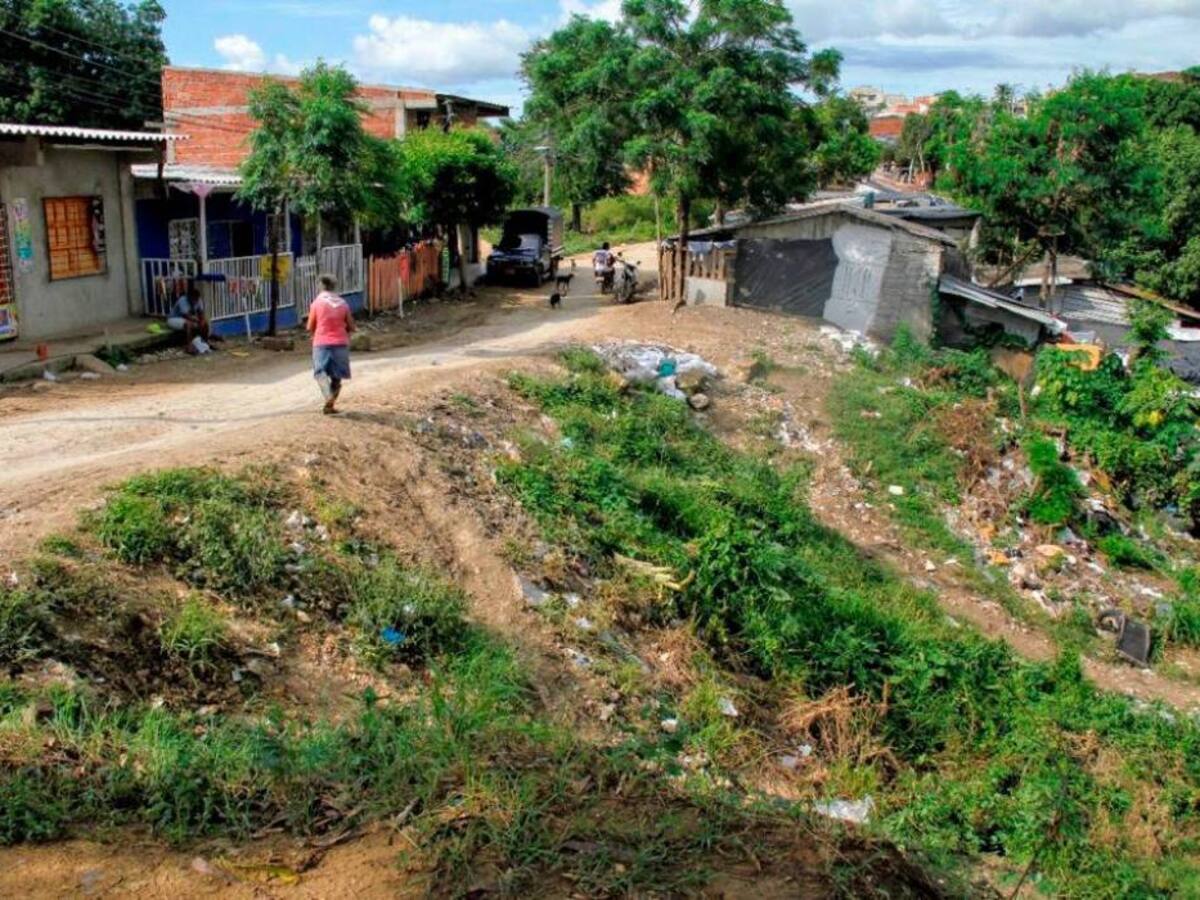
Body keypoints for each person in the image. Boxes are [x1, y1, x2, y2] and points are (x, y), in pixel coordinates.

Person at [306, 274, 355, 415]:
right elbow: (351, 326)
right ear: (334, 286)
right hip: (340, 343)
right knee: (336, 377)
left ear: (321, 286)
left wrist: (316, 333)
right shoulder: (343, 303)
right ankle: (330, 406)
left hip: (321, 343)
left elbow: (310, 326)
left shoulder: (317, 303)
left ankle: (328, 397)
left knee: (320, 372)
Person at [167, 286, 211, 352]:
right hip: (174, 319)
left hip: (186, 319)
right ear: (189, 297)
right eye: (194, 299)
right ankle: (189, 346)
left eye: (196, 299)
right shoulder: (183, 300)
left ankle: (205, 342)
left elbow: (201, 313)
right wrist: (198, 320)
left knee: (205, 323)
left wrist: (202, 321)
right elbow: (186, 316)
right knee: (189, 324)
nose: (195, 301)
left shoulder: (198, 300)